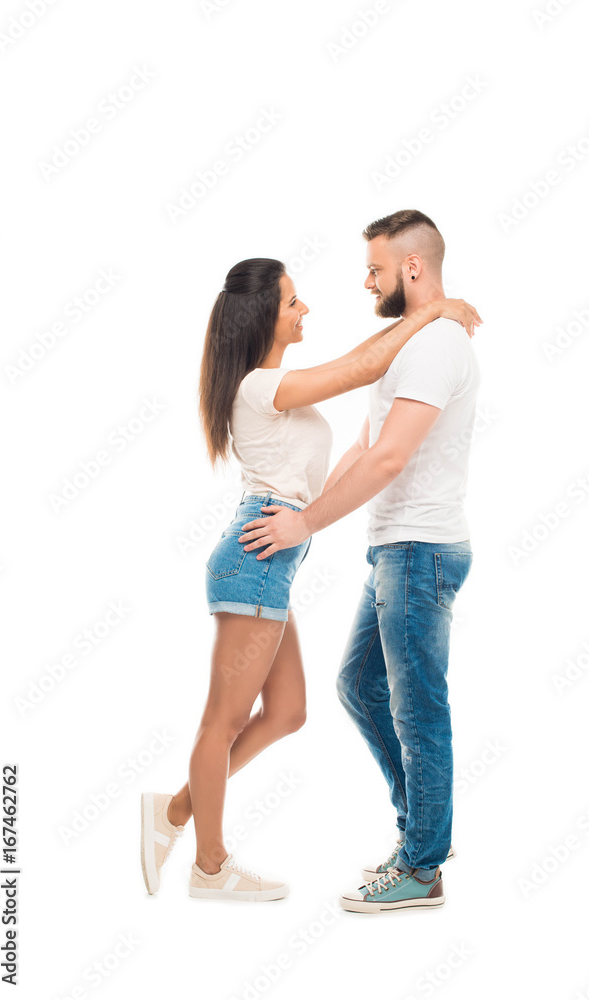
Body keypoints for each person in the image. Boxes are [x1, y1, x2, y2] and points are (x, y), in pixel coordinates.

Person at [140, 253, 480, 902]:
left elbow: (357, 379)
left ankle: (177, 810)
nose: (304, 310)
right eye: (293, 302)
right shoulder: (258, 387)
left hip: (271, 564)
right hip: (253, 559)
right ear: (264, 315)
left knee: (289, 711)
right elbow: (360, 368)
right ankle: (209, 867)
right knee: (223, 721)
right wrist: (432, 311)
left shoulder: (267, 385)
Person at [237, 210, 481, 912]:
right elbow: (363, 444)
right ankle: (425, 829)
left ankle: (422, 863)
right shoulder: (416, 340)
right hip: (396, 551)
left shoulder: (437, 345)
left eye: (374, 268)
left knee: (418, 711)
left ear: (410, 268)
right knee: (357, 685)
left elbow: (389, 456)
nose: (365, 280)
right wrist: (296, 509)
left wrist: (305, 523)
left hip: (419, 551)